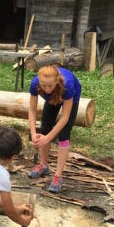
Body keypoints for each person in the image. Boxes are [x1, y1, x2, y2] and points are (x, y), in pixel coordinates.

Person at [27, 65, 82, 193]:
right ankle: (44, 165)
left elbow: (65, 118)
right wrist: (34, 133)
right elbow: (32, 110)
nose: (46, 89)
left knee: (63, 134)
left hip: (68, 96)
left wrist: (49, 138)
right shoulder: (35, 83)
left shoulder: (67, 85)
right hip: (53, 98)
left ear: (57, 81)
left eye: (50, 85)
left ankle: (58, 176)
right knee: (45, 128)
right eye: (44, 85)